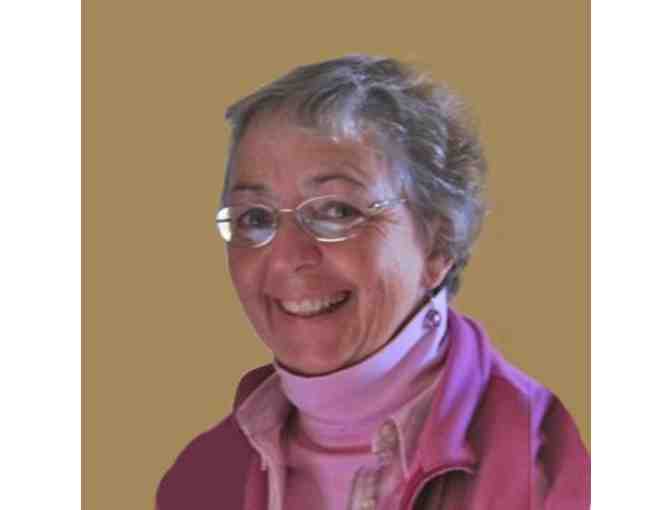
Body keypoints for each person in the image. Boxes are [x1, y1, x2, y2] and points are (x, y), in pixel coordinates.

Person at [156, 55, 589, 509]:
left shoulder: (551, 470)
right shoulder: (200, 480)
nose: (286, 257)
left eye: (337, 211)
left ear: (437, 244)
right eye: (256, 218)